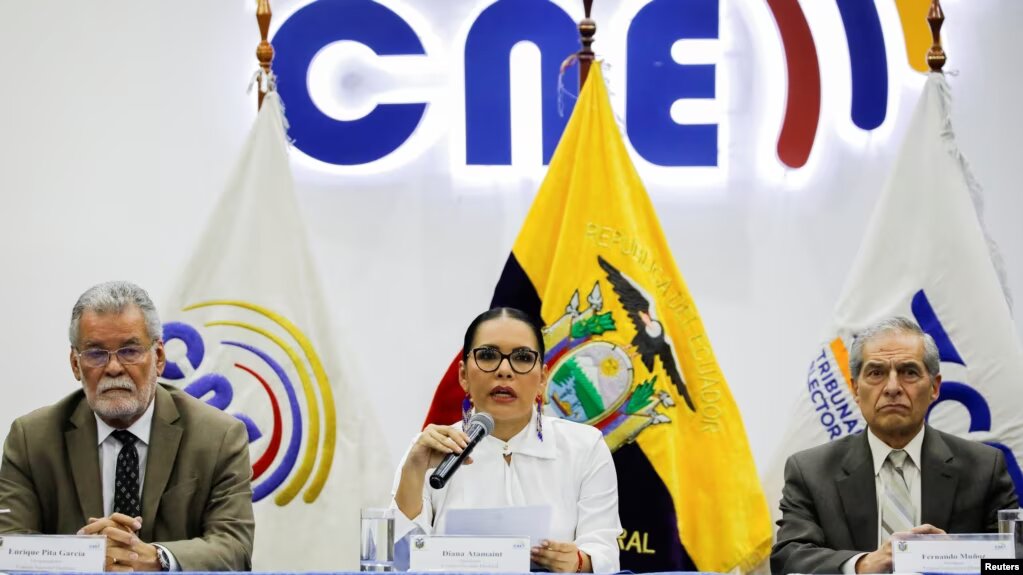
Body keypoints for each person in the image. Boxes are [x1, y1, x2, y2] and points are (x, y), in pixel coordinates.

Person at [0, 281, 254, 571]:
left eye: (130, 351)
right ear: (75, 364)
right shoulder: (32, 439)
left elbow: (235, 548)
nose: (113, 368)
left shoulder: (219, 437)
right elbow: (7, 543)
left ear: (158, 358)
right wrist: (83, 554)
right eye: (95, 353)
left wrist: (153, 558)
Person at [771, 317, 1019, 574]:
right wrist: (863, 565)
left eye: (909, 372)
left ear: (934, 387)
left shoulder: (983, 468)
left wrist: (958, 558)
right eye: (876, 373)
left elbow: (1012, 563)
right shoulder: (810, 471)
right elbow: (789, 558)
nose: (892, 388)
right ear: (856, 389)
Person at [392, 307, 622, 573]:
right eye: (488, 355)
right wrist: (414, 469)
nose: (504, 370)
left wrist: (580, 561)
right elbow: (400, 561)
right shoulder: (429, 450)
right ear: (463, 376)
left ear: (542, 379)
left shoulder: (585, 447)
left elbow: (604, 549)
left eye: (522, 357)